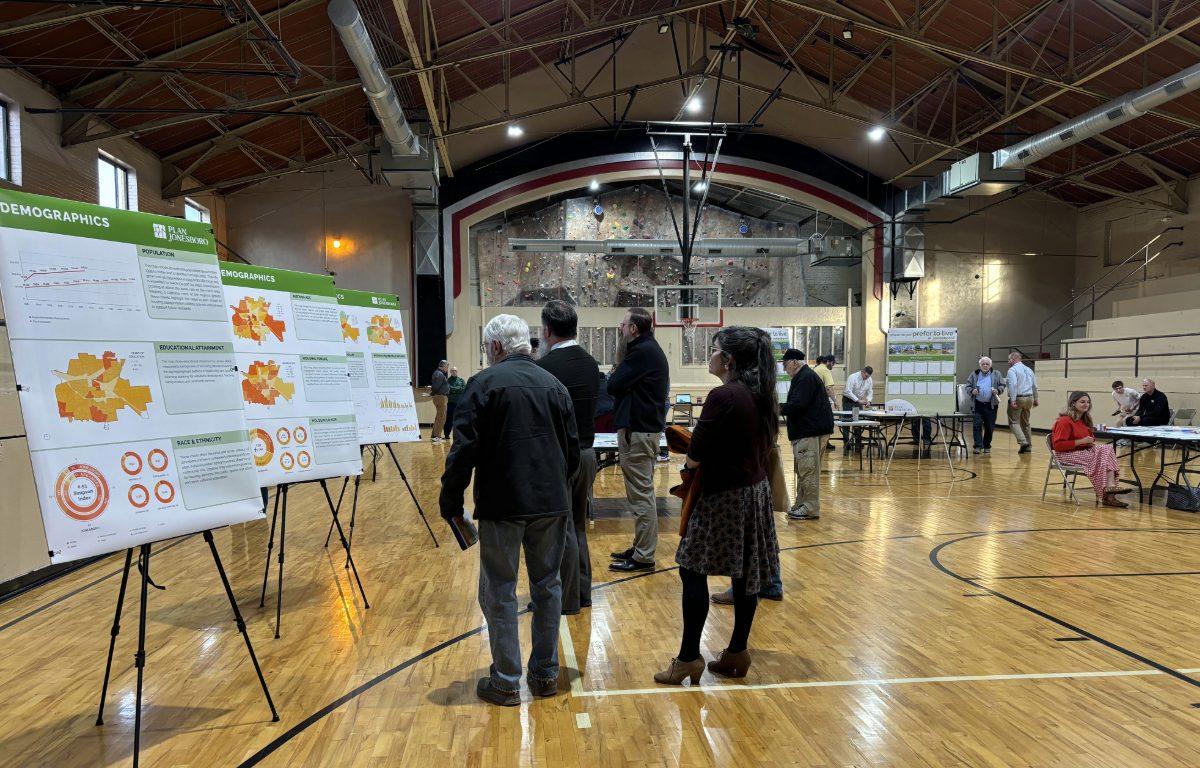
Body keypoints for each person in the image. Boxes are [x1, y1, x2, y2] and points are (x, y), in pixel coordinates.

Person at [439, 314, 579, 706]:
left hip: (503, 504)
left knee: (499, 590)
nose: (487, 354)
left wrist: (450, 500)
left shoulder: (483, 384)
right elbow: (571, 451)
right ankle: (546, 674)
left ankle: (505, 680)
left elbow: (463, 450)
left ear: (496, 348)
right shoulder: (555, 385)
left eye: (487, 348)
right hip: (551, 503)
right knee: (547, 587)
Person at [653, 327, 781, 685]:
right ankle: (737, 653)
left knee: (691, 570)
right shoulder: (761, 394)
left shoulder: (723, 396)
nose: (710, 355)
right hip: (753, 492)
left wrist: (689, 461)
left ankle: (689, 658)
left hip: (722, 495)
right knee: (744, 572)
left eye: (714, 350)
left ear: (728, 360)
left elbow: (696, 454)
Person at [537, 300, 601, 615]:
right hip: (587, 454)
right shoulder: (591, 363)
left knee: (562, 530)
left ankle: (567, 600)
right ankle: (583, 591)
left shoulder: (545, 367)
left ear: (547, 331)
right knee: (578, 525)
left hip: (560, 458)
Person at [607, 307, 669, 573]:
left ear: (633, 329)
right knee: (640, 495)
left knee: (642, 496)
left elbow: (612, 385)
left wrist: (619, 373)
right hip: (644, 431)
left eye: (622, 325)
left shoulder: (641, 352)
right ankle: (641, 545)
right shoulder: (647, 350)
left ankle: (644, 555)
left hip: (639, 432)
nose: (620, 329)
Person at [1051, 391, 1132, 508]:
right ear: (1073, 403)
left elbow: (1089, 439)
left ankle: (1110, 488)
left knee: (1107, 449)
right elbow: (1058, 446)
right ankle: (1109, 494)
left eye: (1088, 402)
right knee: (1102, 458)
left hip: (1081, 452)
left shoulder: (1084, 420)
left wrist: (1088, 442)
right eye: (1082, 402)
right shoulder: (1064, 421)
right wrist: (1082, 441)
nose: (1086, 404)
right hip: (1065, 455)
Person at [781, 349, 833, 520]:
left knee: (808, 470)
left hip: (809, 432)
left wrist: (777, 408)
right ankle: (801, 504)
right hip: (809, 431)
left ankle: (810, 507)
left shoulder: (805, 378)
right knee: (804, 469)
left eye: (785, 364)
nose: (784, 369)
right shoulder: (804, 376)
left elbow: (797, 405)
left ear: (794, 362)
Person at [966, 357, 1004, 454]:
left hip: (991, 406)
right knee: (977, 426)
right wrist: (972, 391)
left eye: (987, 364)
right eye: (983, 364)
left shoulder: (996, 374)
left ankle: (987, 445)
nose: (985, 366)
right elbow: (967, 386)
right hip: (978, 405)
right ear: (980, 365)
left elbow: (1002, 385)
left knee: (989, 427)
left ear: (990, 365)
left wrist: (998, 390)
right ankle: (978, 446)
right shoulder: (974, 374)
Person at [1006, 351, 1038, 454]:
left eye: (1009, 360)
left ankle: (1023, 442)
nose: (1008, 362)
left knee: (1013, 421)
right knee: (1026, 423)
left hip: (1019, 398)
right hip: (1029, 398)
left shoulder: (1012, 370)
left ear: (1013, 359)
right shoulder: (1029, 369)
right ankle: (1028, 446)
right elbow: (1034, 386)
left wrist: (1013, 399)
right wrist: (1036, 398)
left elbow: (1013, 385)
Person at [840, 365, 873, 454]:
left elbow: (870, 391)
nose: (867, 378)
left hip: (859, 401)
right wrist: (858, 400)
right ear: (862, 371)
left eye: (868, 377)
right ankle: (846, 442)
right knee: (847, 421)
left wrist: (869, 401)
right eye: (866, 376)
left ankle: (857, 442)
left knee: (858, 421)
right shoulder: (852, 377)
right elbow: (847, 391)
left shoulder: (869, 379)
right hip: (848, 400)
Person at [812, 355, 836, 451]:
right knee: (828, 424)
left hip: (813, 403)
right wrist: (835, 401)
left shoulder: (816, 369)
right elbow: (828, 388)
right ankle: (823, 446)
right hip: (821, 403)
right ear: (829, 362)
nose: (833, 366)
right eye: (833, 363)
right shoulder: (825, 370)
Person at [429, 359, 450, 443]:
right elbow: (436, 387)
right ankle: (437, 436)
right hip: (440, 397)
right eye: (447, 367)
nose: (447, 369)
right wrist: (432, 393)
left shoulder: (438, 373)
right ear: (444, 366)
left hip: (440, 397)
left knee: (439, 417)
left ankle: (434, 435)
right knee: (441, 417)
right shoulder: (439, 374)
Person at [444, 366, 466, 440]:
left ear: (457, 371)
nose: (454, 372)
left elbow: (463, 389)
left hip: (459, 403)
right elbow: (448, 390)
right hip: (451, 403)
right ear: (450, 372)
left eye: (455, 371)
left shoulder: (461, 380)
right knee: (449, 419)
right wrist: (457, 389)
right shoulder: (447, 380)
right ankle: (446, 434)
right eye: (453, 371)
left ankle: (459, 435)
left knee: (459, 419)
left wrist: (453, 389)